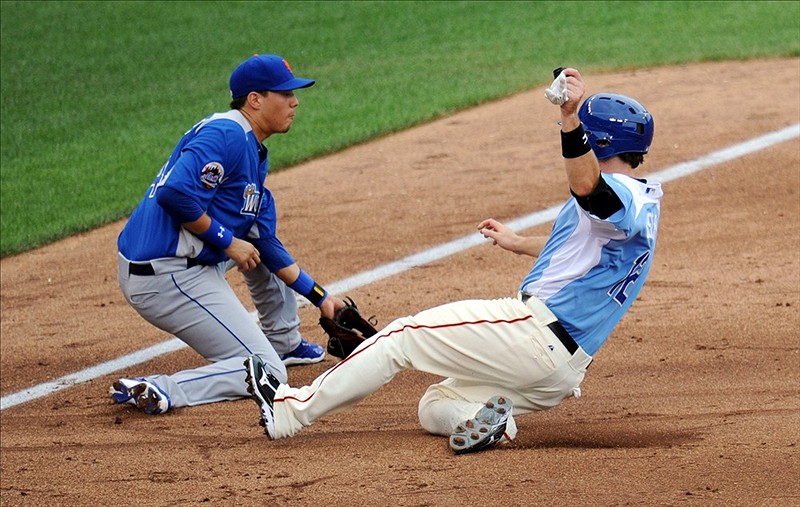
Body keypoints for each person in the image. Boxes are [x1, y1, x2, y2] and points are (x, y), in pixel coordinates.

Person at [244, 67, 662, 454]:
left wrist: (570, 119)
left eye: (586, 133)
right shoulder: (640, 206)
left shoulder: (621, 192)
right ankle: (494, 427)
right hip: (559, 374)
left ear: (599, 140)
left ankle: (289, 409)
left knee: (402, 336)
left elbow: (589, 187)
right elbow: (586, 248)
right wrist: (519, 243)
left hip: (534, 336)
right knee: (437, 403)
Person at [111, 53, 346, 415]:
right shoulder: (228, 133)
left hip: (187, 264)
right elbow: (175, 193)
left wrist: (321, 297)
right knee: (269, 372)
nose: (295, 102)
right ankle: (162, 388)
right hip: (164, 275)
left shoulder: (253, 150)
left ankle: (284, 341)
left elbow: (266, 243)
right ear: (255, 99)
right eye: (285, 94)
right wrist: (227, 241)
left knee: (256, 249)